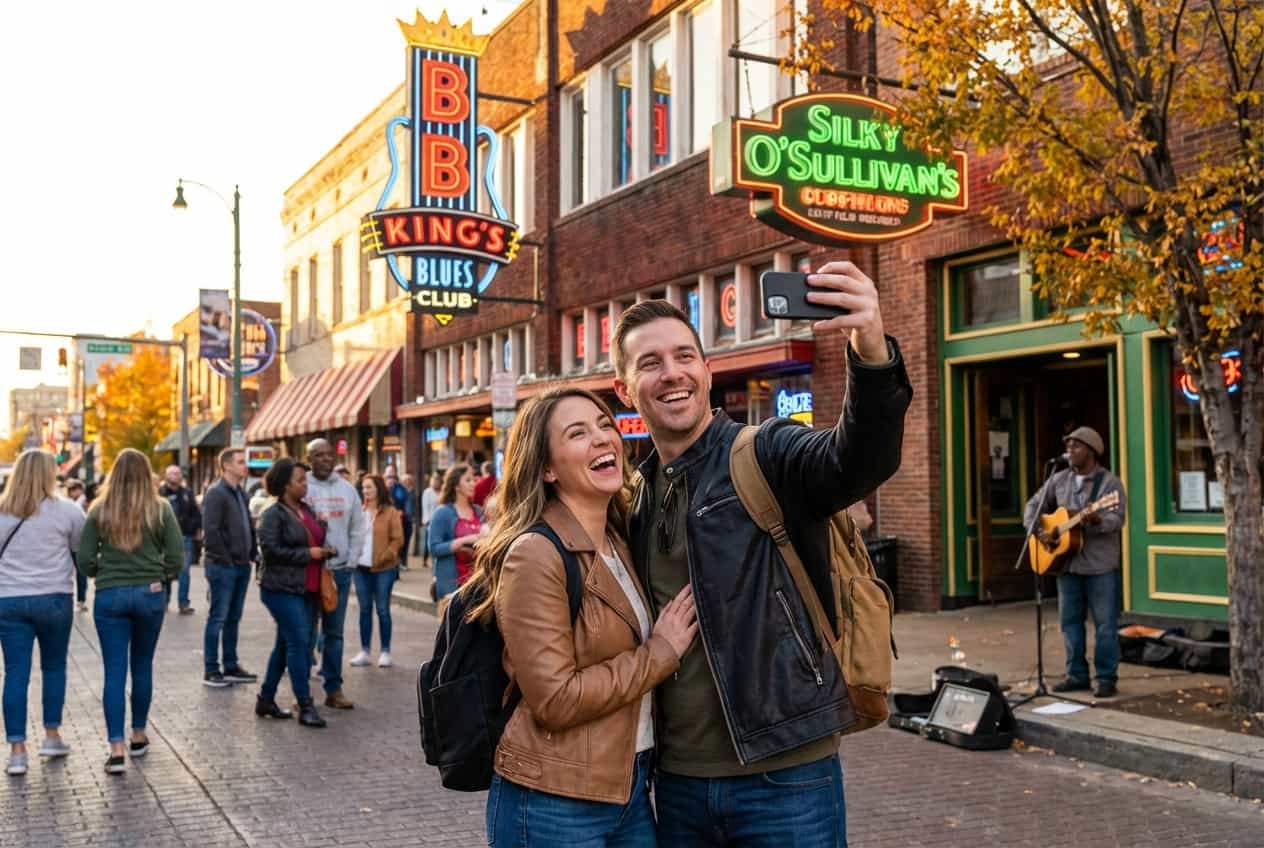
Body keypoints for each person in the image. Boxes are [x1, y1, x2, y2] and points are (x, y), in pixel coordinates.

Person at [612, 262, 911, 847]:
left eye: (683, 357)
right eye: (650, 363)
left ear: (707, 369)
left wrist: (871, 348)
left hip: (786, 774)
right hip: (676, 782)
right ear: (624, 389)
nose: (671, 374)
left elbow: (859, 458)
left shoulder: (766, 452)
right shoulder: (634, 496)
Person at [467, 387, 697, 846]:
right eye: (577, 433)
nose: (601, 438)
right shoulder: (535, 553)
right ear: (547, 468)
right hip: (555, 797)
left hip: (628, 786)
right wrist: (660, 654)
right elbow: (555, 699)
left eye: (604, 425)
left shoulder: (620, 540)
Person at [78, 449, 184, 775]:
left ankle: (116, 749)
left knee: (114, 672)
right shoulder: (160, 509)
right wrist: (159, 574)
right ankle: (138, 734)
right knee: (142, 666)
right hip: (149, 594)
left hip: (110, 596)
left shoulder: (99, 510)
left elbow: (84, 560)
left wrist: (103, 571)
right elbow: (177, 557)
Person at [1023, 425, 1126, 699]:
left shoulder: (1110, 485)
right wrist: (1040, 532)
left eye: (1076, 446)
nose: (1070, 450)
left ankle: (1105, 678)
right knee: (1069, 623)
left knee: (1105, 624)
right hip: (1067, 565)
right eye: (1068, 446)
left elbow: (1118, 519)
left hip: (1099, 566)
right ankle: (1077, 675)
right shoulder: (1059, 479)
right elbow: (1032, 507)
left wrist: (1098, 519)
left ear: (1091, 452)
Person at [0, 450, 85, 776]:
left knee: (15, 673)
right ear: (50, 474)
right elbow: (81, 550)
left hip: (9, 600)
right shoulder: (67, 511)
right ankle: (51, 736)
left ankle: (17, 752)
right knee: (53, 667)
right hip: (53, 598)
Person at [255, 458, 330, 728]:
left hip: (307, 587)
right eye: (300, 481)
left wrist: (322, 531)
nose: (305, 485)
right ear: (285, 484)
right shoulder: (272, 514)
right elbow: (270, 551)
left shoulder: (305, 509)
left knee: (285, 644)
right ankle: (305, 705)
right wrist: (307, 554)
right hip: (280, 588)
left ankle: (266, 698)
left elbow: (316, 538)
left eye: (305, 480)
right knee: (300, 642)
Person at [303, 438, 367, 711]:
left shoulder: (347, 489)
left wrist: (351, 560)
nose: (325, 460)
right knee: (304, 633)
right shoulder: (301, 486)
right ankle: (301, 690)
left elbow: (357, 527)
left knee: (334, 632)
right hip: (307, 571)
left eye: (329, 455)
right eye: (318, 455)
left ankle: (334, 688)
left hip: (339, 571)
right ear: (309, 459)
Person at [200, 449, 258, 688]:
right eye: (240, 462)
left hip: (242, 565)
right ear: (226, 466)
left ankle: (231, 664)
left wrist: (252, 553)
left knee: (234, 617)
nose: (245, 466)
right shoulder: (216, 493)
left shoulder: (240, 493)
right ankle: (212, 669)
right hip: (224, 567)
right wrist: (227, 559)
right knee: (218, 618)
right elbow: (211, 531)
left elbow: (248, 527)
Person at [348, 474, 403, 669]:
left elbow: (398, 539)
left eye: (369, 487)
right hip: (360, 568)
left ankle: (385, 652)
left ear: (378, 489)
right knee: (364, 610)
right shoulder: (359, 511)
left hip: (383, 568)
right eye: (363, 488)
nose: (365, 491)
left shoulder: (390, 512)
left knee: (382, 609)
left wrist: (386, 555)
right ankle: (364, 651)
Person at [427, 464, 481, 618]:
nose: (473, 483)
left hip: (477, 583)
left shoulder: (478, 510)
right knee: (453, 636)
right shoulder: (442, 512)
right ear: (456, 485)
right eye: (468, 480)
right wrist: (462, 542)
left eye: (474, 479)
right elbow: (434, 547)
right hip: (452, 584)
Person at [159, 464, 201, 615]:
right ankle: (164, 602)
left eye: (177, 473)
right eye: (171, 473)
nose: (175, 476)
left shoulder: (187, 493)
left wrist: (192, 527)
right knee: (165, 571)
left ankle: (183, 603)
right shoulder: (160, 493)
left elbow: (196, 513)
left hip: (185, 537)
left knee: (184, 571)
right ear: (166, 476)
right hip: (164, 539)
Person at [65, 479, 90, 611]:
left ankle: (80, 599)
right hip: (77, 543)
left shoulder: (81, 502)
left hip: (75, 543)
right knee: (80, 573)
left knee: (77, 573)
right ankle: (80, 600)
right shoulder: (75, 503)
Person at [384, 468, 413, 571]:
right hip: (386, 523)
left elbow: (406, 503)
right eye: (388, 477)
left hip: (401, 521)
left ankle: (400, 563)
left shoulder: (400, 489)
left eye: (393, 477)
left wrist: (404, 513)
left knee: (401, 543)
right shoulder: (381, 488)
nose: (391, 479)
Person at [419, 472, 441, 568]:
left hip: (440, 519)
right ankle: (425, 559)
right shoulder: (427, 492)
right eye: (434, 481)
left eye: (438, 481)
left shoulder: (441, 492)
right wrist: (426, 519)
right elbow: (425, 506)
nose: (436, 483)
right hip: (430, 520)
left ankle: (435, 560)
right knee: (429, 541)